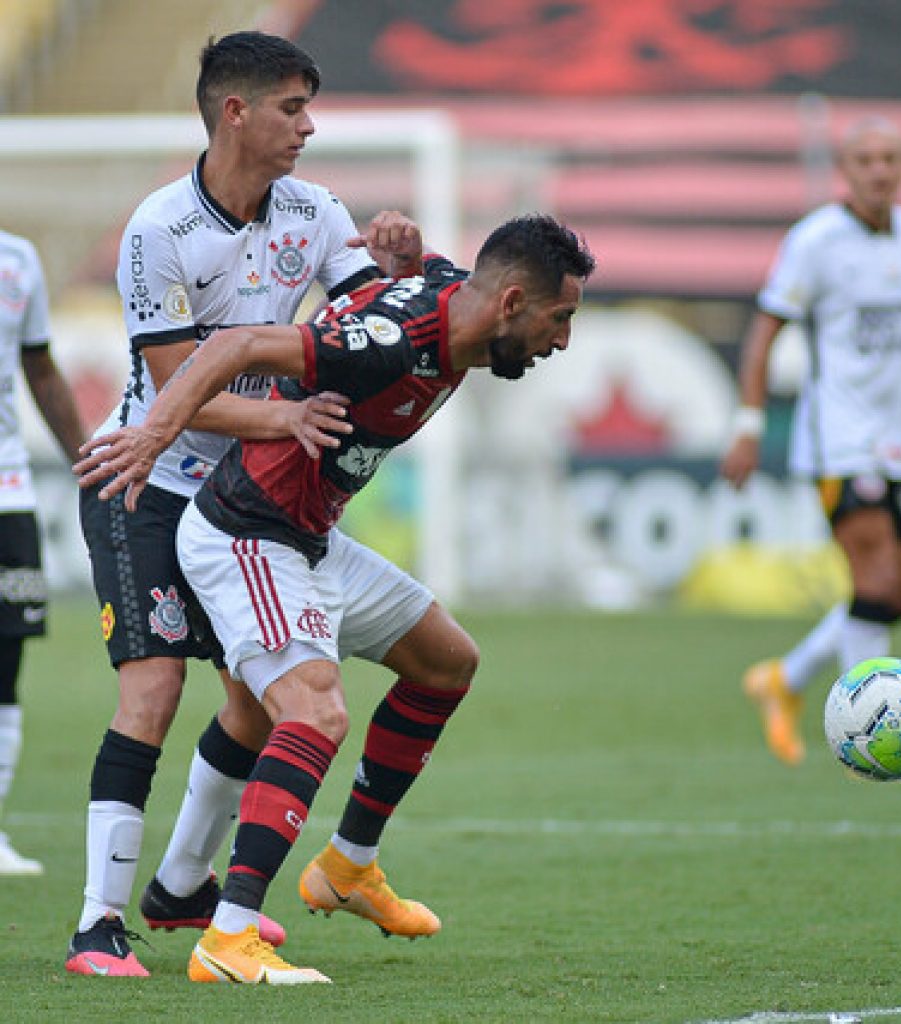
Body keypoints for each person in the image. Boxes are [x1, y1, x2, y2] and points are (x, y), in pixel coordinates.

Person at [76, 213, 596, 984]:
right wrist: (154, 438)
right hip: (246, 532)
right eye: (561, 319)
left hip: (310, 536)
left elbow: (432, 275)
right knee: (314, 712)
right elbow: (233, 346)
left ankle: (348, 867)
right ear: (513, 301)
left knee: (447, 661)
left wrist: (405, 258)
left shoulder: (453, 295)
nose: (561, 341)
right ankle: (227, 937)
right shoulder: (389, 345)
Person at [66, 30, 422, 977]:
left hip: (240, 505)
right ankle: (96, 925)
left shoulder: (316, 209)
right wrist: (286, 420)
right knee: (153, 689)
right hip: (146, 481)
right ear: (236, 112)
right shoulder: (158, 231)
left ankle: (182, 891)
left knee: (258, 707)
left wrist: (398, 267)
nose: (309, 127)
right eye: (292, 108)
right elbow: (178, 389)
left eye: (309, 107)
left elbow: (376, 333)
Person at [720, 116, 901, 767]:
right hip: (838, 440)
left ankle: (784, 679)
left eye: (890, 159)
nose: (879, 170)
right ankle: (875, 742)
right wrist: (749, 425)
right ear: (846, 170)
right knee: (872, 579)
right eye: (866, 160)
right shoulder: (815, 241)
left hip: (897, 440)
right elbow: (764, 335)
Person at [0, 230, 85, 874]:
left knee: (6, 661)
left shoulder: (19, 258)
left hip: (9, 491)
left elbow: (41, 368)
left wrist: (88, 462)